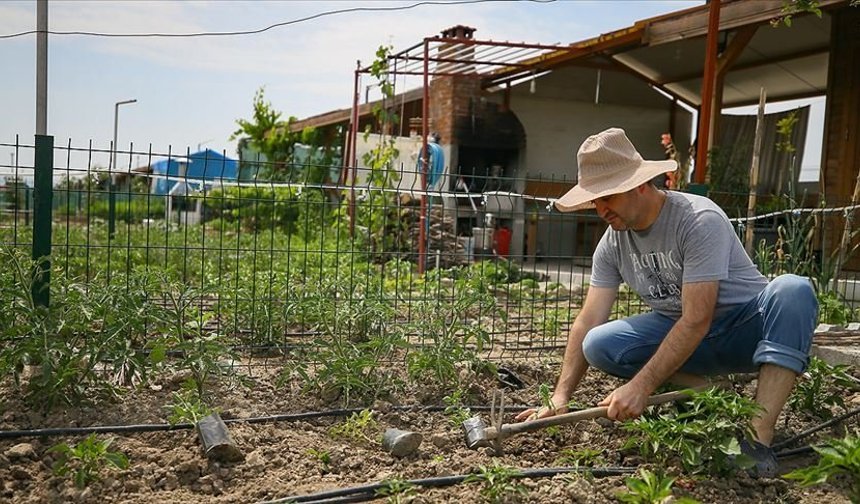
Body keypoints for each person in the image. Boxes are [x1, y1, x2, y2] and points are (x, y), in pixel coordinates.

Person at [515, 128, 817, 478]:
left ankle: (757, 440)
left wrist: (640, 387)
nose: (601, 211)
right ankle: (704, 390)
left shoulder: (697, 220)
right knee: (598, 343)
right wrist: (560, 395)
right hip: (689, 341)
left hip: (745, 330)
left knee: (793, 290)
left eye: (607, 198)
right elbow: (588, 319)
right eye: (595, 201)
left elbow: (697, 318)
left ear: (640, 184)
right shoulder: (613, 243)